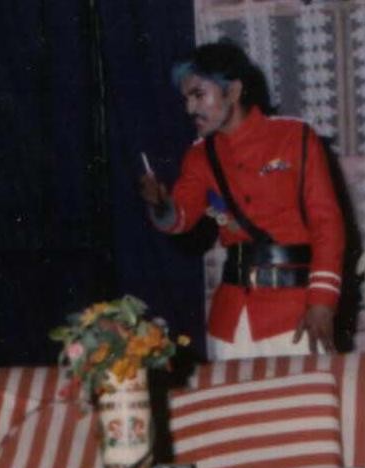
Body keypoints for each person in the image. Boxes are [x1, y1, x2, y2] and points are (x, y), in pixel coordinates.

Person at [140, 41, 344, 360]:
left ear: (233, 91)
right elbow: (181, 217)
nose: (190, 109)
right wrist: (160, 205)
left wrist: (322, 302)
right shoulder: (199, 156)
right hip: (232, 323)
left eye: (198, 95)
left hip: (296, 316)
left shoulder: (295, 137)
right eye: (186, 99)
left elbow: (327, 225)